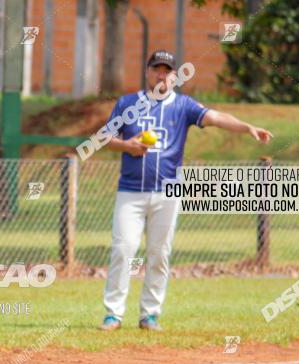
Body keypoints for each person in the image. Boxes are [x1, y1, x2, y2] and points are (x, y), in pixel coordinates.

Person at [99, 50, 273, 332]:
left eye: (168, 71)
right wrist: (126, 145)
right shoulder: (127, 103)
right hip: (130, 191)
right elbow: (104, 138)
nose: (162, 75)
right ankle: (113, 315)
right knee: (123, 250)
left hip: (167, 193)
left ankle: (150, 315)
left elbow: (215, 117)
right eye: (157, 69)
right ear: (147, 71)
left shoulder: (183, 106)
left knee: (160, 253)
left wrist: (247, 127)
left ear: (175, 76)